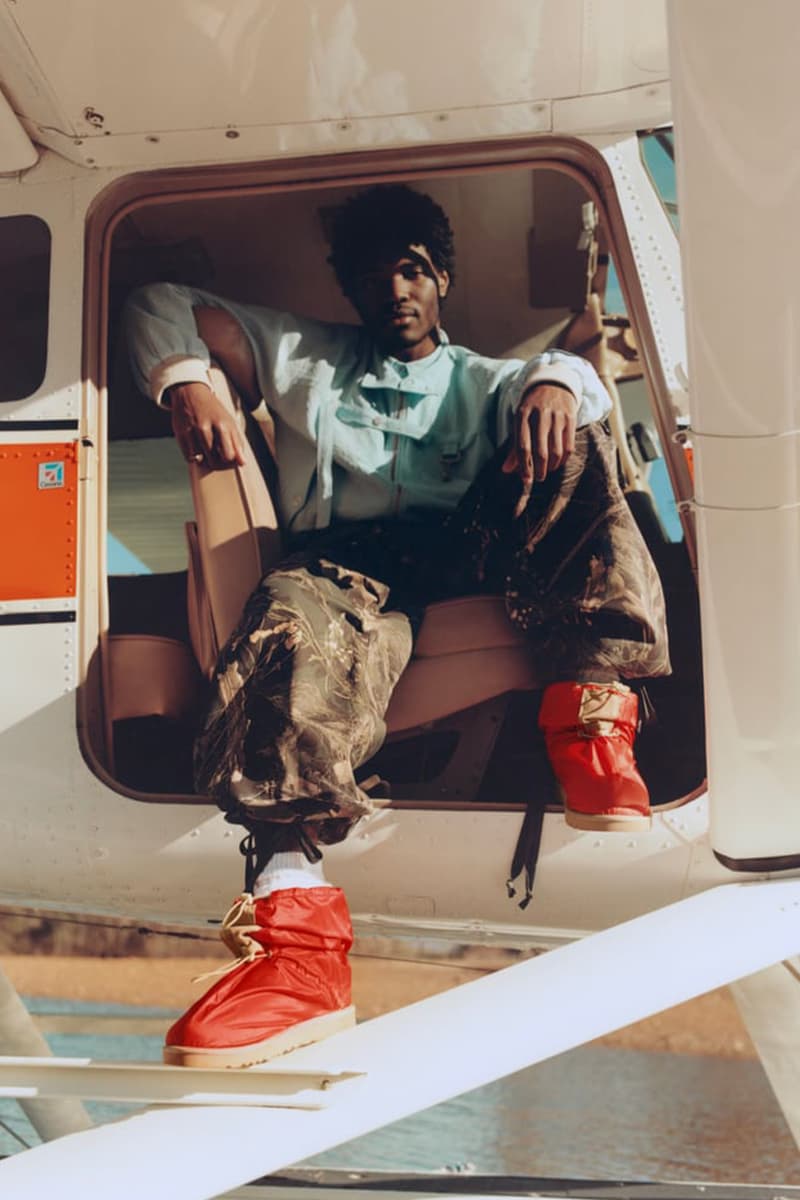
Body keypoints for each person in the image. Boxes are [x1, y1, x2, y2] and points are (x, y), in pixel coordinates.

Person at [124, 184, 670, 1069]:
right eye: (374, 274)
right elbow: (159, 303)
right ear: (351, 287)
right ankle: (298, 951)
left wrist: (556, 380)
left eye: (412, 269)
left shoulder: (485, 379)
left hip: (464, 554)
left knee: (573, 432)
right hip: (342, 565)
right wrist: (185, 379)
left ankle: (592, 721)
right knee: (287, 623)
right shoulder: (308, 355)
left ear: (441, 278)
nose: (396, 289)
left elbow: (574, 382)